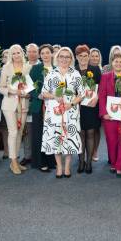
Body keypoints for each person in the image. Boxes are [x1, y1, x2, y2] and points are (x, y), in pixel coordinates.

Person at [40, 47, 85, 177]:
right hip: (55, 112)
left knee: (69, 139)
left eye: (67, 57)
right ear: (57, 58)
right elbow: (43, 93)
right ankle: (59, 167)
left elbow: (81, 94)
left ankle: (67, 167)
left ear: (71, 59)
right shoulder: (51, 73)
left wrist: (71, 104)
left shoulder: (75, 74)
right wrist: (54, 96)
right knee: (56, 138)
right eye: (61, 56)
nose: (64, 59)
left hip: (71, 111)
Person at [0, 43, 31, 175]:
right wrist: (12, 91)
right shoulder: (6, 68)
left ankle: (15, 161)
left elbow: (30, 86)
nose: (16, 55)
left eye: (18, 52)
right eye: (14, 53)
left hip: (23, 104)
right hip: (9, 105)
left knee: (20, 132)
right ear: (10, 55)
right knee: (13, 132)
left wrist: (28, 94)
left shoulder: (28, 67)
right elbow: (1, 87)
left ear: (22, 53)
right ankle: (14, 162)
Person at [74, 45, 101, 174]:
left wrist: (97, 98)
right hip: (77, 107)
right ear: (76, 57)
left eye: (85, 56)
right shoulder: (73, 71)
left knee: (90, 133)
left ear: (89, 56)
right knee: (80, 134)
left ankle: (89, 162)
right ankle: (81, 161)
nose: (83, 58)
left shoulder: (95, 69)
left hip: (91, 106)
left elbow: (101, 88)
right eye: (80, 56)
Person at [29, 44, 55, 172]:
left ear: (52, 54)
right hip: (39, 105)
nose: (45, 55)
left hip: (53, 106)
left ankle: (51, 161)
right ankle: (40, 162)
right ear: (40, 55)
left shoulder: (57, 69)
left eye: (47, 52)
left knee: (52, 133)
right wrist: (38, 95)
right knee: (39, 134)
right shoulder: (35, 69)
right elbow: (29, 87)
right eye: (43, 53)